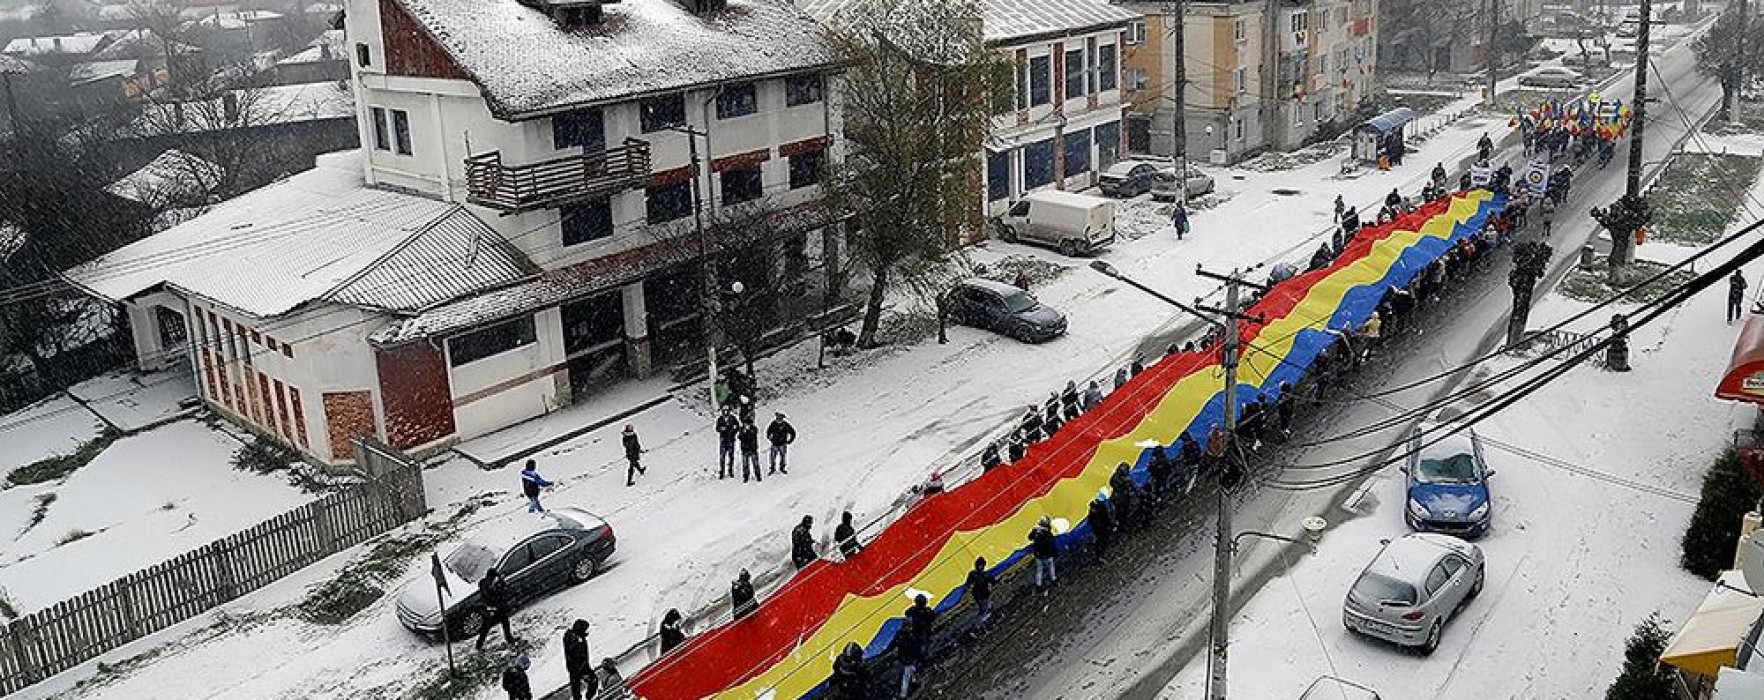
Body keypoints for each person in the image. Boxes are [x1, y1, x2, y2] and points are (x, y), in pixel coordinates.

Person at [898, 594, 937, 698]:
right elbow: (933, 617)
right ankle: (903, 694)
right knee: (908, 673)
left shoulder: (903, 635)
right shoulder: (926, 612)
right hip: (922, 635)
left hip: (909, 650)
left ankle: (913, 681)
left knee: (910, 669)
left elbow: (906, 613)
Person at [476, 568, 516, 650]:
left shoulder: (494, 583)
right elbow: (489, 597)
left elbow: (504, 590)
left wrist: (500, 583)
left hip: (498, 608)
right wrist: (495, 590)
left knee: (504, 623)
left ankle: (510, 640)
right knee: (486, 627)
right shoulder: (485, 584)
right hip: (491, 609)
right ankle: (479, 645)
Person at [564, 619, 596, 700]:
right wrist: (582, 670)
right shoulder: (576, 638)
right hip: (579, 666)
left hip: (577, 666)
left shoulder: (572, 637)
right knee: (592, 681)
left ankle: (586, 697)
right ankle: (589, 697)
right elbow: (578, 654)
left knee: (576, 687)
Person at [1029, 516, 1058, 592]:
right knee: (1051, 567)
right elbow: (1051, 545)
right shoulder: (1048, 534)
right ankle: (1053, 580)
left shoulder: (1036, 532)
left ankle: (1038, 585)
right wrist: (1055, 553)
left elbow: (1030, 537)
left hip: (1039, 555)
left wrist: (1034, 531)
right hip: (1047, 555)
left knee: (1039, 570)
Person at [965, 557, 996, 625]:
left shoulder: (973, 574)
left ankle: (980, 621)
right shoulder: (985, 575)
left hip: (978, 594)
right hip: (982, 594)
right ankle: (980, 623)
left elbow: (968, 584)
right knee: (985, 607)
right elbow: (993, 581)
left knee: (983, 607)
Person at [1087, 490, 1115, 561]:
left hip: (1102, 528)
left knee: (1103, 540)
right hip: (1100, 529)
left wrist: (1109, 524)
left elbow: (1105, 517)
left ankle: (1101, 554)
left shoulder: (1100, 507)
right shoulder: (1096, 511)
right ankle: (1100, 555)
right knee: (1101, 541)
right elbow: (1094, 522)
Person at [716, 406, 739, 480]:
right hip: (723, 440)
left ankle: (730, 471)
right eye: (724, 411)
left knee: (731, 457)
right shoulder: (720, 419)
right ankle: (722, 472)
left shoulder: (733, 418)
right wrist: (721, 429)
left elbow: (737, 427)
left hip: (731, 440)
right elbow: (717, 428)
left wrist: (733, 431)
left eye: (727, 411)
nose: (725, 412)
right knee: (722, 457)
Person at [738, 418, 762, 483]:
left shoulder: (754, 428)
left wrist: (749, 431)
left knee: (755, 463)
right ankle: (746, 476)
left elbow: (754, 435)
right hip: (744, 449)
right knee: (745, 464)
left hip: (753, 449)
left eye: (748, 424)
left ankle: (758, 475)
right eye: (745, 424)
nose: (747, 425)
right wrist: (744, 432)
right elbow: (739, 437)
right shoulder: (741, 429)